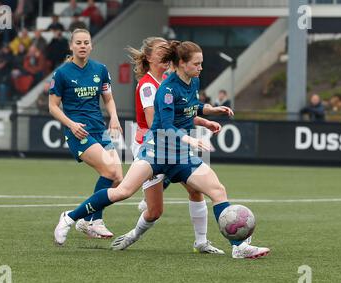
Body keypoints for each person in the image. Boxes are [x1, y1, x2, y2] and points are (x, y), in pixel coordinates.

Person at [54, 40, 270, 259]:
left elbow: (189, 105)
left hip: (181, 155)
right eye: (197, 63)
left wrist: (209, 113)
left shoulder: (192, 82)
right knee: (123, 191)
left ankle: (238, 246)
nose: (201, 67)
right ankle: (70, 218)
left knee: (217, 190)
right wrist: (191, 140)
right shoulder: (165, 89)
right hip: (156, 152)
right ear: (182, 63)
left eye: (201, 63)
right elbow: (166, 125)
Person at [113, 36, 225, 254]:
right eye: (161, 50)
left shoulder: (173, 80)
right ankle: (82, 218)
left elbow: (185, 110)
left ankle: (201, 241)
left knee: (196, 189)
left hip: (176, 143)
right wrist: (190, 135)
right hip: (154, 145)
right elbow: (161, 122)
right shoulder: (150, 85)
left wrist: (205, 117)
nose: (165, 54)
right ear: (149, 57)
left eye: (167, 50)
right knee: (151, 208)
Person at [49, 28, 123, 238]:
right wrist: (71, 125)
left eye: (86, 42)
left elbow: (108, 98)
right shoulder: (62, 73)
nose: (82, 46)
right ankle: (91, 220)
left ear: (91, 46)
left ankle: (85, 220)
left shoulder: (100, 69)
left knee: (118, 179)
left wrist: (114, 118)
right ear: (71, 46)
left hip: (100, 129)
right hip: (79, 132)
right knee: (109, 172)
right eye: (78, 43)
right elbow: (53, 107)